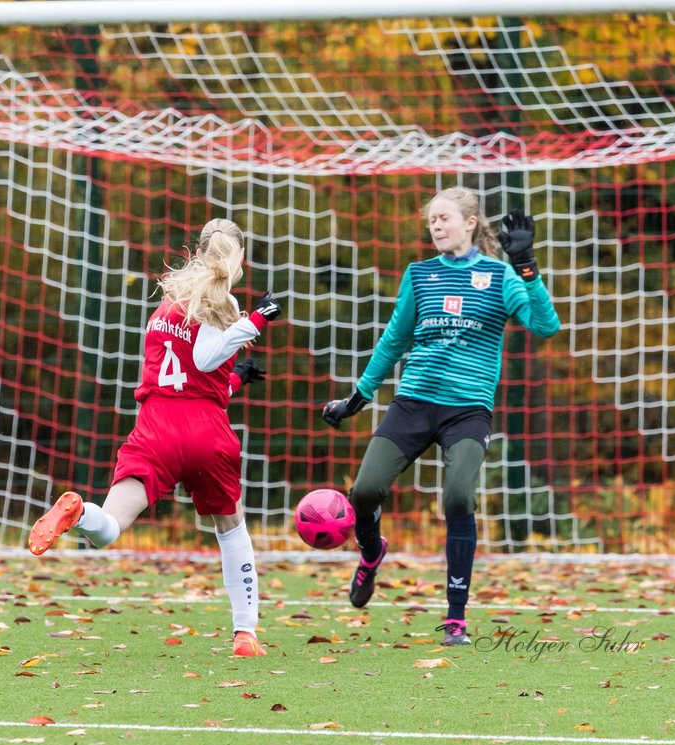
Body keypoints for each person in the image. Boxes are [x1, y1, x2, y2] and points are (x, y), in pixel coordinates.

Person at [28, 218, 281, 658]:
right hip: (205, 431)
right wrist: (255, 319)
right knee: (231, 528)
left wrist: (235, 381)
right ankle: (245, 634)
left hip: (156, 425)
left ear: (198, 253)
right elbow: (204, 360)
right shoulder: (221, 301)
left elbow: (187, 375)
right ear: (237, 259)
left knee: (108, 529)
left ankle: (79, 511)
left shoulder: (167, 304)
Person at [321, 187, 560, 646]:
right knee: (364, 491)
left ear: (470, 223)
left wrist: (526, 265)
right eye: (431, 219)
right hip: (412, 405)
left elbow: (546, 326)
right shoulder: (420, 275)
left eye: (444, 218)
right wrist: (358, 398)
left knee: (456, 498)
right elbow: (393, 341)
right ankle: (371, 554)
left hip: (467, 412)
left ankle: (455, 618)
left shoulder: (500, 275)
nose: (435, 226)